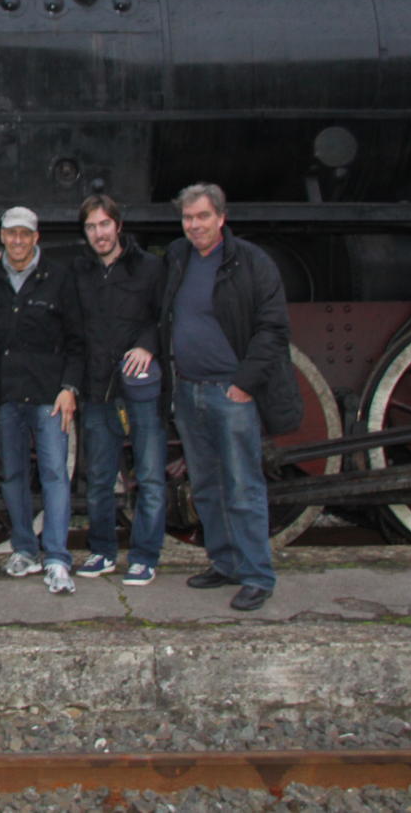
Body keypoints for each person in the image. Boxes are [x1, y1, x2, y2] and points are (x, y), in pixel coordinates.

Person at [159, 182, 300, 612]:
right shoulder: (178, 257)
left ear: (221, 217)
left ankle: (258, 574)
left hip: (229, 391)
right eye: (188, 218)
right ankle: (224, 562)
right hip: (188, 390)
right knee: (206, 485)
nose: (195, 225)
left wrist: (245, 384)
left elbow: (273, 328)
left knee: (242, 485)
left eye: (203, 216)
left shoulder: (251, 261)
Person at [0, 206, 86, 595]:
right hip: (7, 395)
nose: (18, 241)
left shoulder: (59, 278)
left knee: (55, 475)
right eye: (11, 234)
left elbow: (76, 339)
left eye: (25, 234)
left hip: (49, 396)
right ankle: (25, 547)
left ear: (35, 237)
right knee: (13, 476)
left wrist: (69, 387)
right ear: (2, 237)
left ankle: (56, 556)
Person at [71, 194, 168, 587]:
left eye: (104, 224)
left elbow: (164, 316)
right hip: (98, 388)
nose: (99, 233)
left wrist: (147, 344)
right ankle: (103, 551)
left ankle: (145, 556)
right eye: (91, 227)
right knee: (98, 477)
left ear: (118, 225)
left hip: (138, 387)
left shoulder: (150, 268)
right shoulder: (80, 273)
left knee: (149, 474)